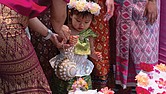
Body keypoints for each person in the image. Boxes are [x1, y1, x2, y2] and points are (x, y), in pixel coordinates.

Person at [0, 0, 71, 93]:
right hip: (6, 27)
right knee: (33, 86)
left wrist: (50, 35)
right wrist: (61, 28)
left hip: (7, 19)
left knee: (6, 84)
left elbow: (22, 11)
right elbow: (58, 21)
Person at [106, 0, 160, 93]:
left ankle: (147, 87)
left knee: (146, 51)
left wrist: (152, 1)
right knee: (125, 48)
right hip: (123, 6)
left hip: (144, 5)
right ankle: (127, 86)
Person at [49, 0, 102, 93]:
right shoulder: (65, 30)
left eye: (86, 22)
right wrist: (69, 44)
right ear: (71, 15)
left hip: (82, 67)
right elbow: (60, 46)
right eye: (78, 20)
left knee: (83, 90)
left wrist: (95, 55)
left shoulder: (89, 34)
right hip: (66, 66)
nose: (81, 25)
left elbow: (91, 52)